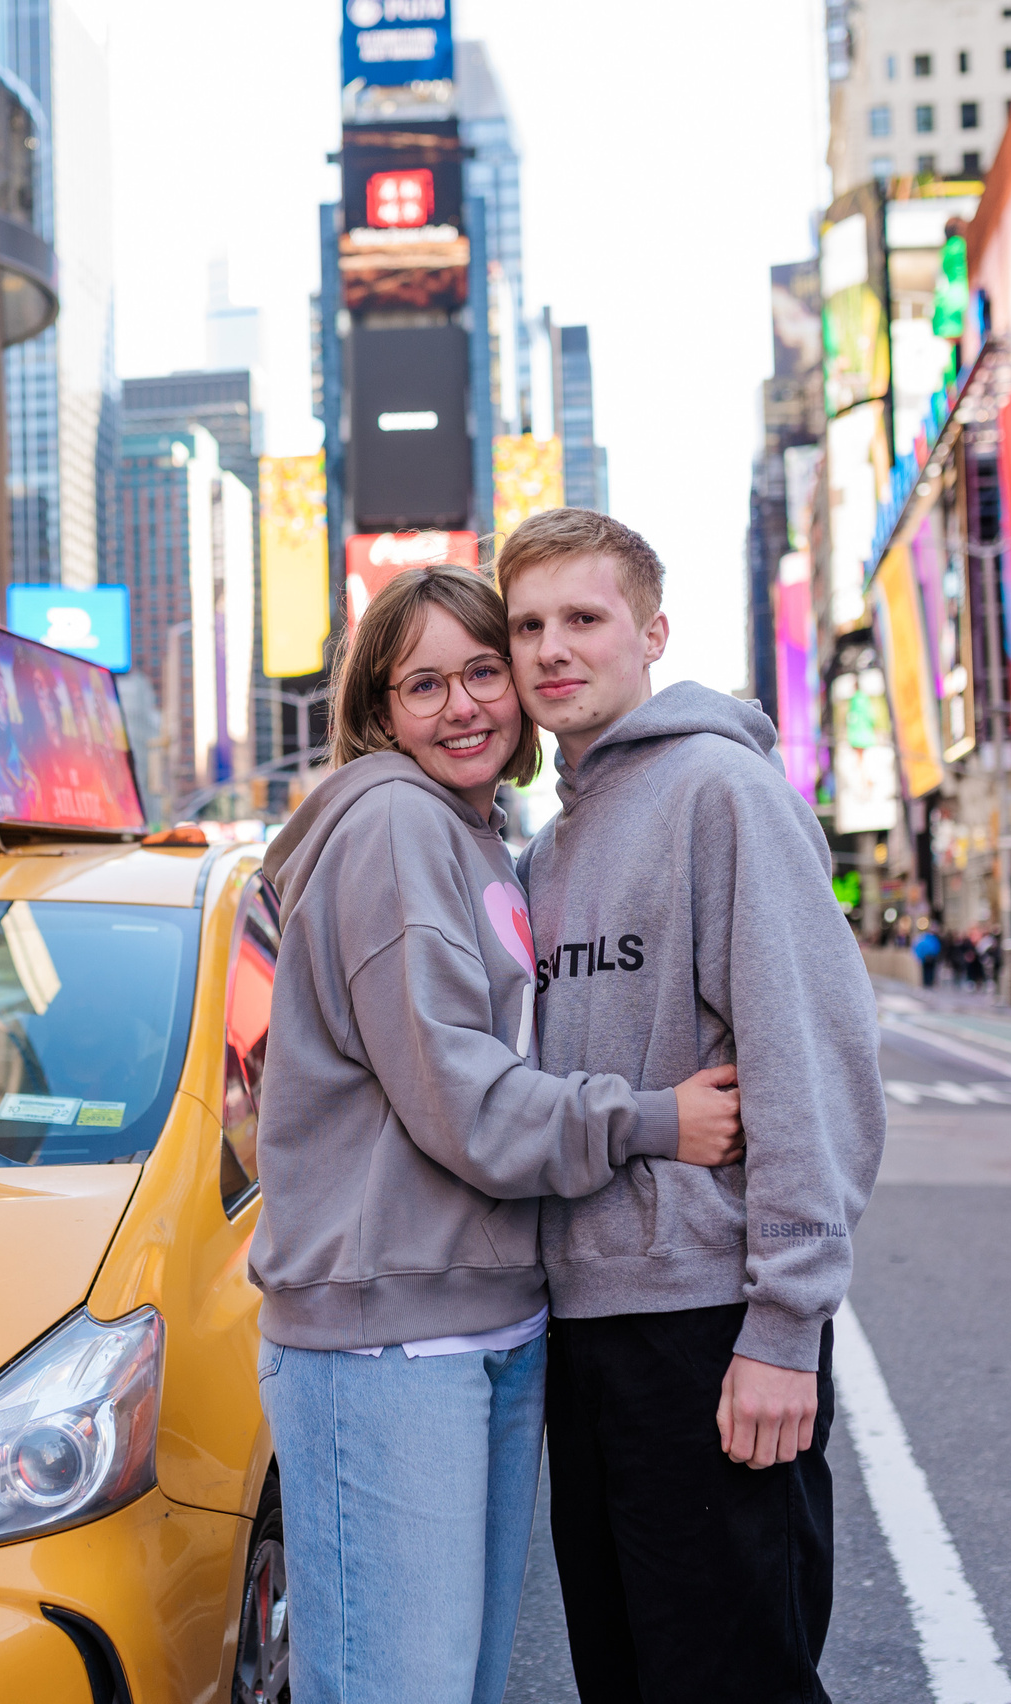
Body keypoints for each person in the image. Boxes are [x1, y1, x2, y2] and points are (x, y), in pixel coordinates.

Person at [250, 565, 748, 1704]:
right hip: (385, 1337)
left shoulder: (482, 835)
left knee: (455, 1685)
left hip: (483, 1318)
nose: (463, 704)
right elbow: (462, 1097)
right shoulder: (389, 823)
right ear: (378, 711)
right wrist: (650, 1121)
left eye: (483, 670)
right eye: (424, 685)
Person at [498, 508, 887, 1703]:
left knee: (732, 1677)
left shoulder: (720, 790)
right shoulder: (549, 849)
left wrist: (784, 1329)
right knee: (626, 1672)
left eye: (583, 618)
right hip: (587, 1328)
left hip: (710, 1324)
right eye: (527, 626)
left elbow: (809, 1055)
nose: (552, 649)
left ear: (651, 631)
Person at [912, 916, 943, 988]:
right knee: (928, 971)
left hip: (930, 957)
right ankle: (928, 984)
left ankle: (928, 983)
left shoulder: (929, 938)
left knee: (929, 971)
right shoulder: (927, 938)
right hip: (928, 957)